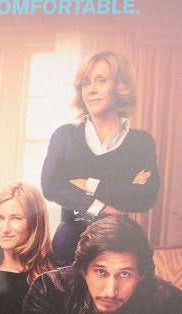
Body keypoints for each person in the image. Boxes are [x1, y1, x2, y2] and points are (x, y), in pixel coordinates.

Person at [41, 51, 160, 267]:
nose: (92, 90)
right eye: (86, 83)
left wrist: (88, 184)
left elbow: (145, 196)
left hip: (119, 245)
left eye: (101, 81)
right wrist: (105, 207)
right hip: (70, 247)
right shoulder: (65, 135)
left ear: (120, 86)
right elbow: (50, 186)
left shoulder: (141, 142)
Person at [22, 215, 181, 313]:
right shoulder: (49, 290)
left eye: (124, 274)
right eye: (101, 272)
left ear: (141, 276)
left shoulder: (168, 301)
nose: (111, 292)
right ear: (83, 270)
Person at [0, 182, 55, 314]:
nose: (5, 229)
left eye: (16, 218)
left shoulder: (50, 279)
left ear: (35, 223)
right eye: (0, 218)